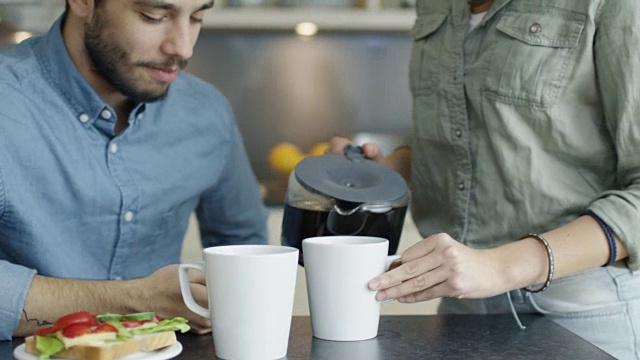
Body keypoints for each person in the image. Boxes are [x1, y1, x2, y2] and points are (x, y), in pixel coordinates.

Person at [328, 0, 640, 358]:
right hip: (463, 307)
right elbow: (456, 145)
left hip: (579, 310)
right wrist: (378, 174)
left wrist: (499, 266)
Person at [0, 0, 268, 340]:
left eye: (197, 17)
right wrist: (134, 300)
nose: (182, 47)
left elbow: (245, 250)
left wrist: (334, 206)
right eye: (152, 16)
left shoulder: (206, 112)